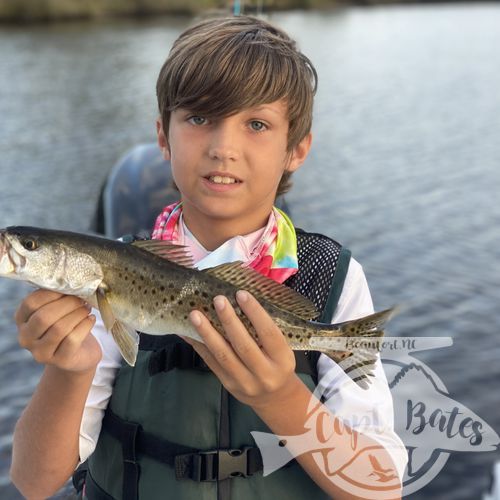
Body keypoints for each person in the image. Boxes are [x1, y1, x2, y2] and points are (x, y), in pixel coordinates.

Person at [10, 15, 407, 500]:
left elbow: (381, 488)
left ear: (296, 150)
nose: (224, 148)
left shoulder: (329, 278)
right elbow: (33, 482)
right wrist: (67, 370)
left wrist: (280, 397)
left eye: (256, 124)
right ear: (163, 136)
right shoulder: (106, 286)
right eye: (199, 119)